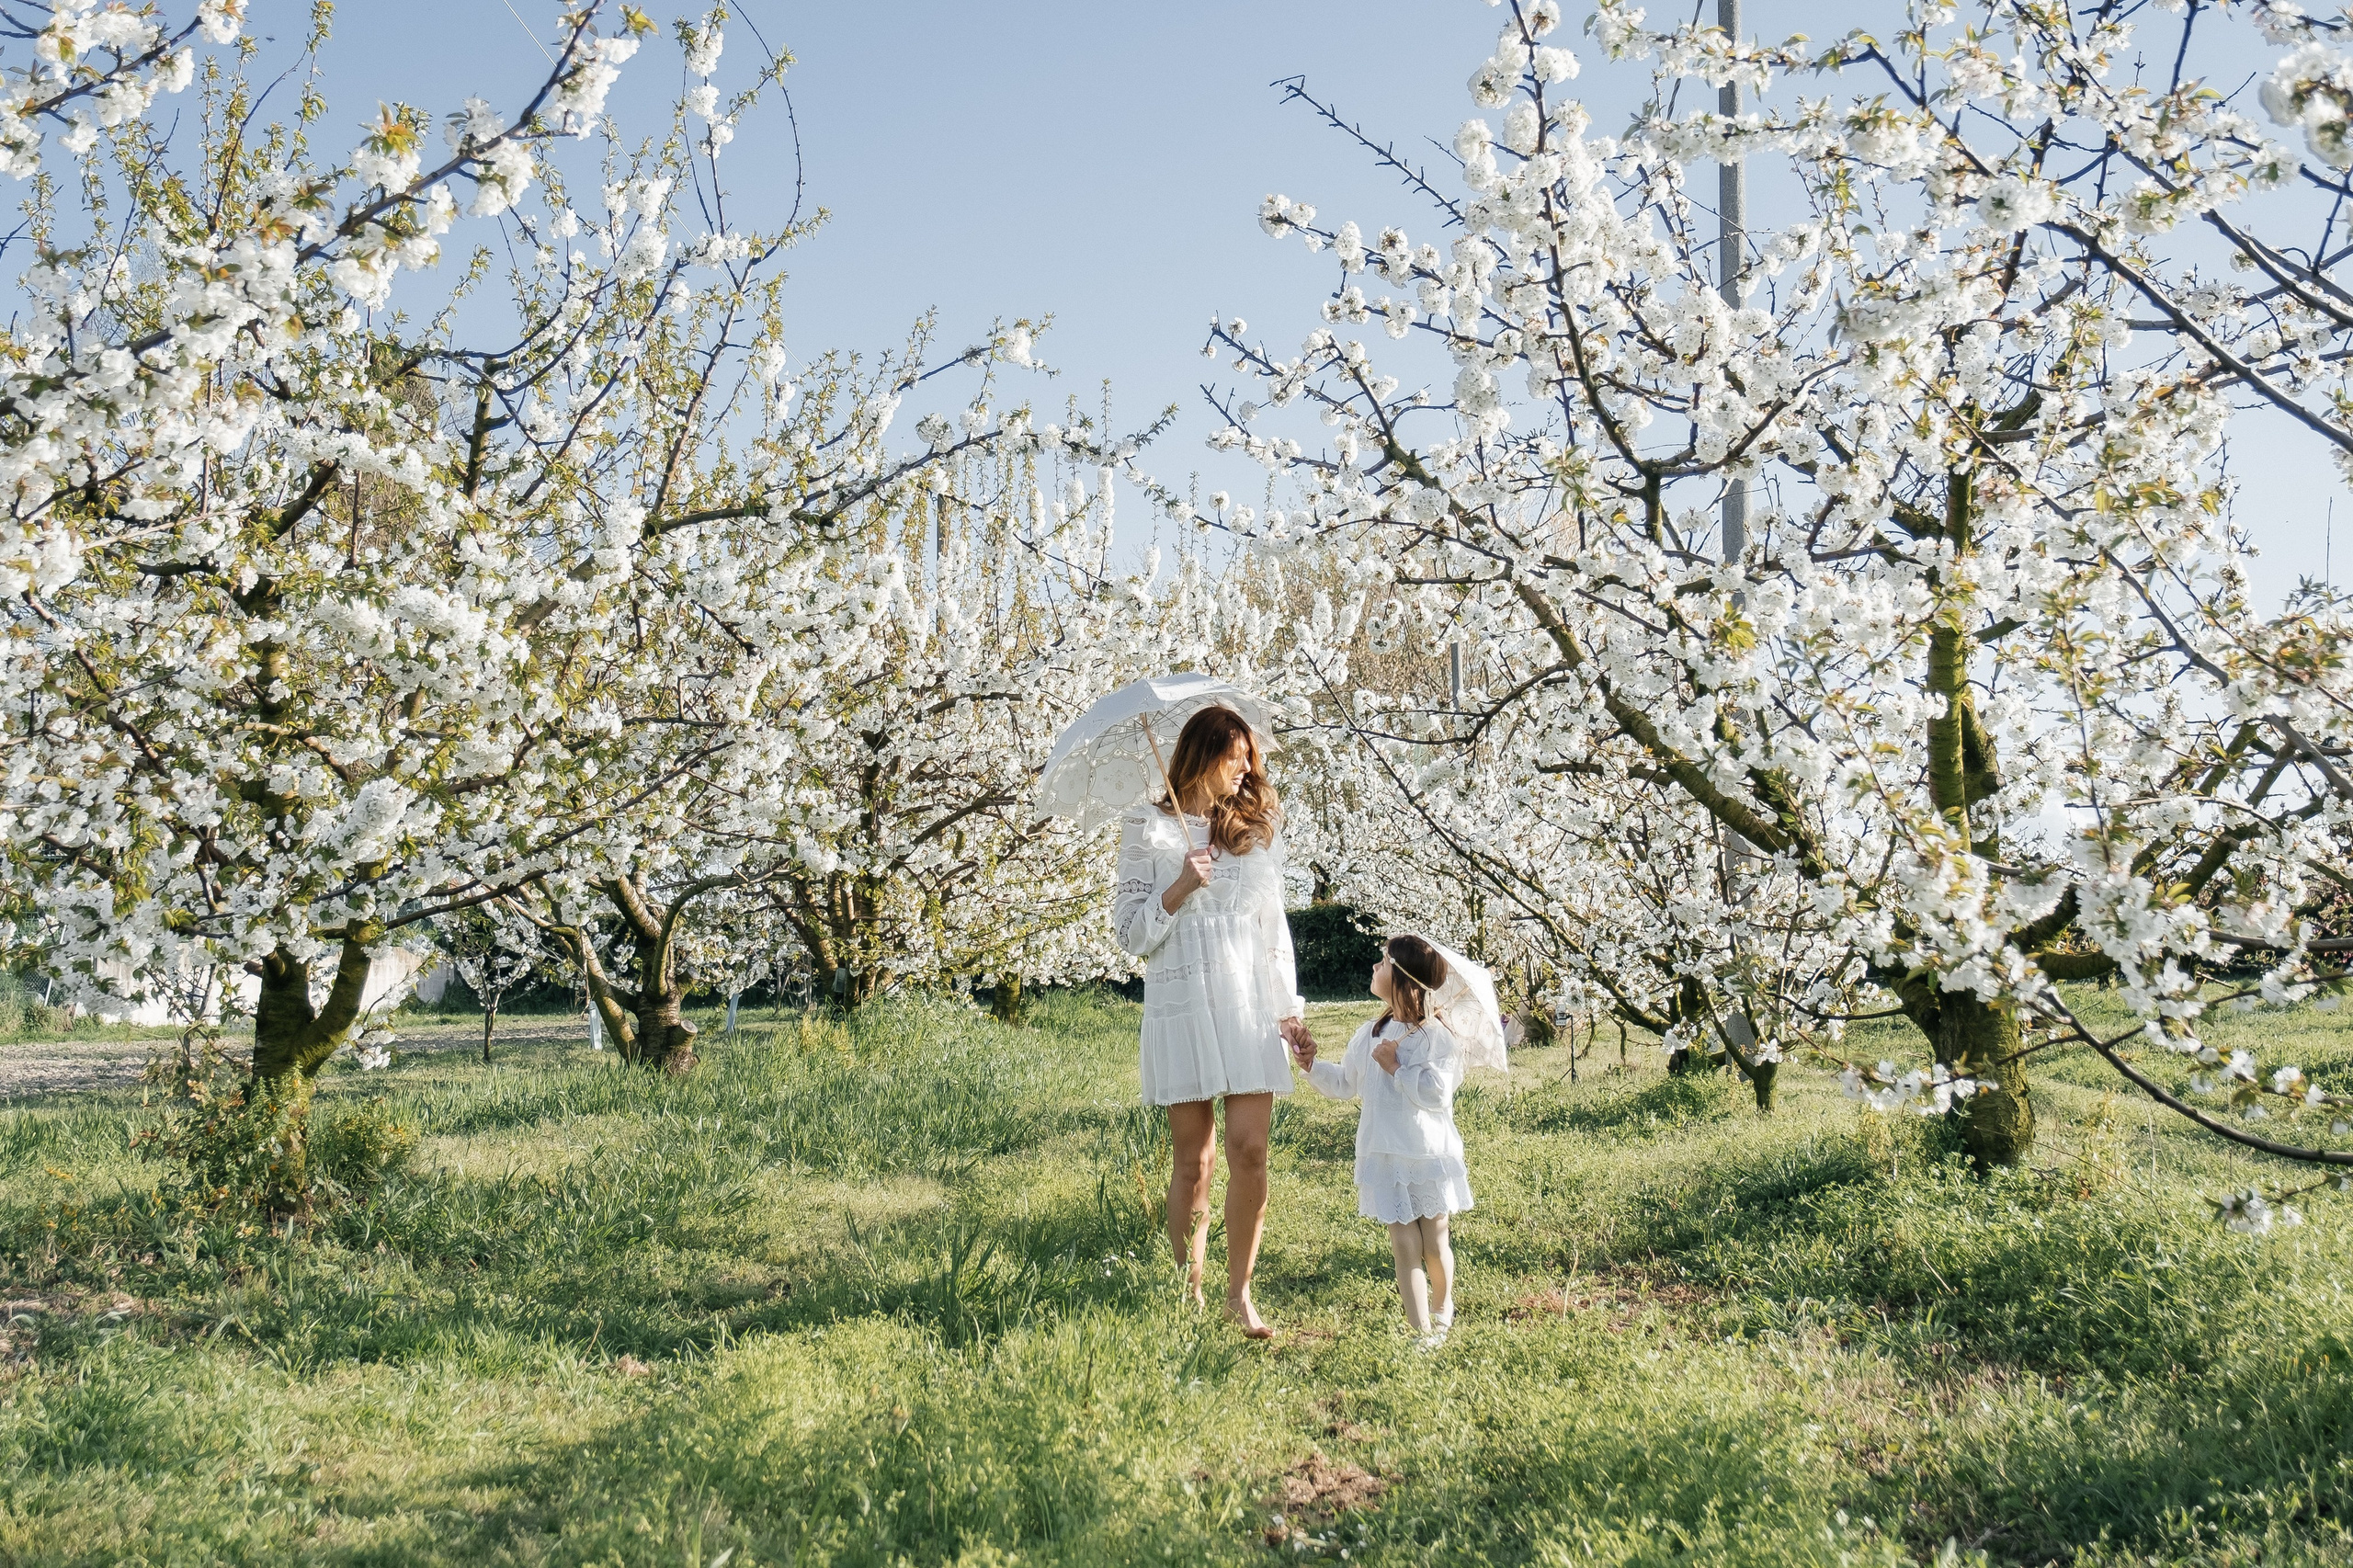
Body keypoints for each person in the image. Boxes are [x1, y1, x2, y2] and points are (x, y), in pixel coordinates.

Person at [1111, 704, 1307, 1338]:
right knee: (1194, 1161)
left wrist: (1289, 1013)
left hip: (1247, 1001)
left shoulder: (1250, 828)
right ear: (1204, 755)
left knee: (1251, 1151)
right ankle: (1187, 1294)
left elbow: (1271, 932)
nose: (1246, 769)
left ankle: (1239, 1293)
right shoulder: (1145, 827)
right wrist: (1176, 889)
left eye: (1250, 758)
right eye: (1235, 758)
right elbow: (1130, 936)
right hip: (1183, 1004)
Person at [1292, 934, 1472, 1348]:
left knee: (1435, 1236)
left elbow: (1437, 1094)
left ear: (1404, 978)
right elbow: (1343, 1083)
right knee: (1403, 1242)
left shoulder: (1436, 1038)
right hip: (1384, 1150)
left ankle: (1443, 1311)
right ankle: (1421, 1331)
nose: (1375, 967)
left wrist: (1397, 1068)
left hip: (1427, 1151)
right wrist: (1311, 1065)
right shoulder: (1370, 1033)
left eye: (1383, 962)